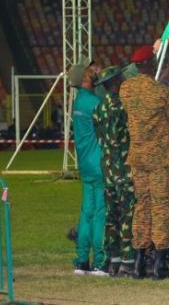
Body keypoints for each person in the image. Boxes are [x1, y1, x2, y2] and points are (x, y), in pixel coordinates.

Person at [120, 45, 169, 280]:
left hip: (138, 157)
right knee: (162, 207)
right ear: (152, 63)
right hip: (160, 159)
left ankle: (138, 263)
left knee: (142, 206)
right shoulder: (163, 93)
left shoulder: (126, 89)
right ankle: (159, 264)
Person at [93, 66, 135, 278]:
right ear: (117, 82)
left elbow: (100, 137)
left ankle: (113, 261)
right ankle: (128, 262)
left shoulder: (98, 108)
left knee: (112, 216)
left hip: (108, 168)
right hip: (125, 168)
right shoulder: (124, 106)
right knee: (128, 215)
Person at [68, 57, 108, 277]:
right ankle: (100, 262)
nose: (94, 70)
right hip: (99, 163)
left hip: (85, 163)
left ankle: (82, 260)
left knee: (87, 212)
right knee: (100, 212)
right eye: (90, 69)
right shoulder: (94, 102)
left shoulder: (79, 102)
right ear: (84, 79)